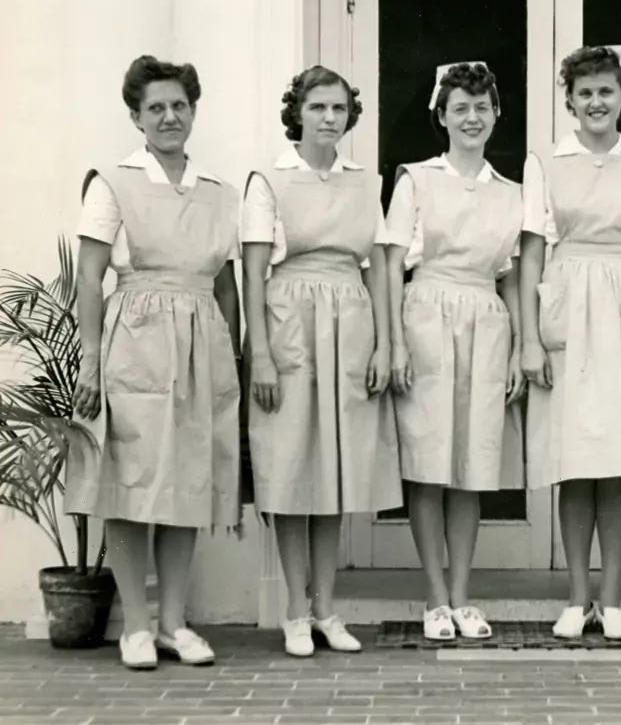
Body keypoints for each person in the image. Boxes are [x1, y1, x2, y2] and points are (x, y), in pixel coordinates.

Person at [68, 55, 241, 670]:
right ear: (136, 117)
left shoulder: (219, 193)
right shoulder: (113, 184)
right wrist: (90, 362)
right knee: (132, 482)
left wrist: (236, 358)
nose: (170, 117)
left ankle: (173, 622)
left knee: (187, 481)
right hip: (136, 338)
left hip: (202, 343)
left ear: (194, 111)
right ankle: (135, 626)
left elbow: (225, 285)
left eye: (180, 106)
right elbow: (89, 279)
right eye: (156, 108)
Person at [241, 65, 401, 658]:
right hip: (289, 323)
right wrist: (260, 354)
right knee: (290, 466)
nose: (329, 118)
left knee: (335, 471)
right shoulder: (269, 181)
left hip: (350, 322)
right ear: (298, 113)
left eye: (338, 109)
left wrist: (386, 341)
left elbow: (378, 267)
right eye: (318, 108)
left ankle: (327, 610)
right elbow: (252, 271)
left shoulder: (364, 181)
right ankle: (293, 610)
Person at [519, 45, 621, 640]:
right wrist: (531, 340)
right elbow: (532, 249)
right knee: (575, 460)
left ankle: (612, 600)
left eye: (606, 91)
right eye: (584, 93)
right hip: (567, 308)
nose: (595, 102)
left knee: (619, 461)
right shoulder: (547, 163)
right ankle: (575, 596)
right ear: (569, 101)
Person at [386, 62, 525, 641]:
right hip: (426, 318)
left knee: (471, 466)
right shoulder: (416, 180)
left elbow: (513, 276)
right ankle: (435, 598)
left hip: (486, 321)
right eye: (460, 107)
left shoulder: (513, 193)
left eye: (482, 107)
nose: (472, 117)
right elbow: (392, 263)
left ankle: (465, 597)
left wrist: (519, 345)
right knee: (429, 463)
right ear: (441, 116)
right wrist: (394, 340)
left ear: (496, 115)